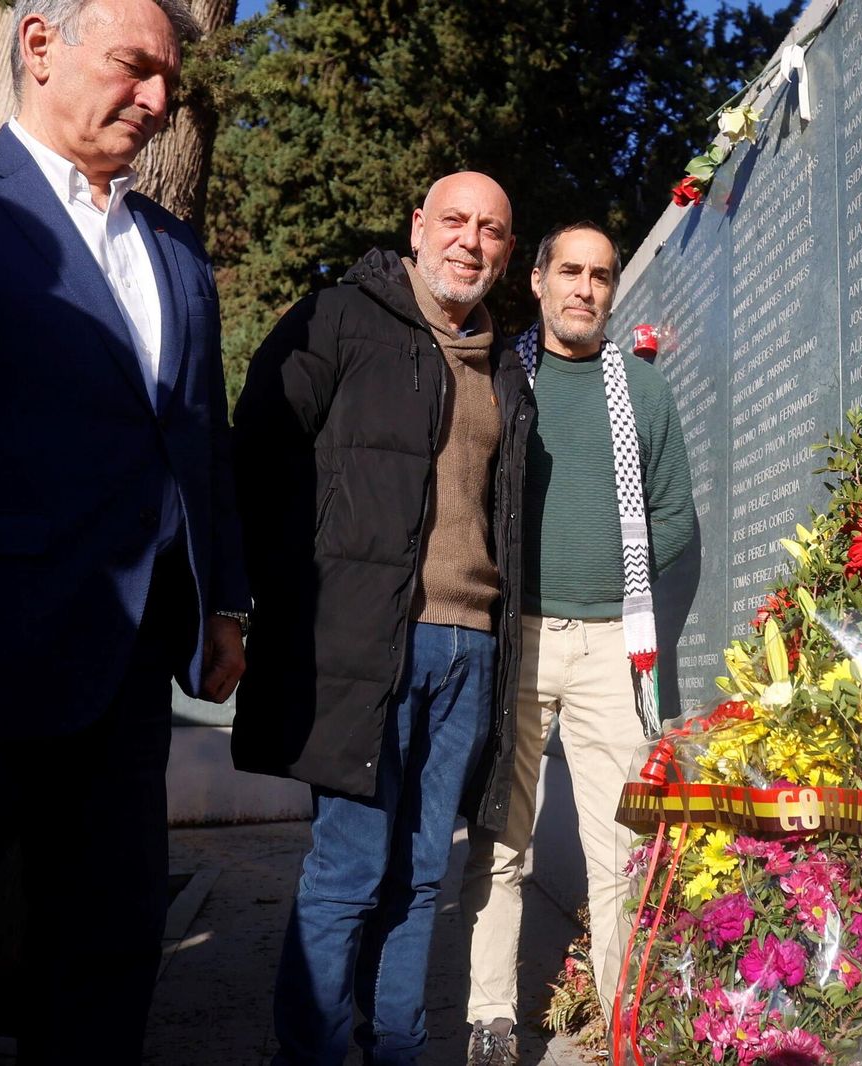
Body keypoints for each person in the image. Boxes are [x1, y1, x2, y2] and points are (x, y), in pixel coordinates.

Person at [0, 0, 248, 1059]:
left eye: (169, 81)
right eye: (136, 68)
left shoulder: (177, 252)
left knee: (107, 953)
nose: (159, 101)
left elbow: (199, 440)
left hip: (127, 682)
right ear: (39, 46)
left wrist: (223, 599)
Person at [229, 172, 536, 1065]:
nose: (469, 241)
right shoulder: (338, 319)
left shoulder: (506, 370)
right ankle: (317, 1051)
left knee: (423, 872)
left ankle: (397, 1046)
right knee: (351, 870)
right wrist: (276, 601)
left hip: (470, 651)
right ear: (417, 227)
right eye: (453, 221)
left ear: (508, 253)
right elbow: (260, 456)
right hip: (365, 642)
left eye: (491, 229)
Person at [460, 222, 694, 1066]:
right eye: (571, 271)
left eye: (601, 276)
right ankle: (490, 1016)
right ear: (538, 279)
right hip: (513, 637)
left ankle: (618, 1019)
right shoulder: (496, 374)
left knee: (624, 845)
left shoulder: (643, 391)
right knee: (501, 835)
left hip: (610, 648)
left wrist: (617, 574)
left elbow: (673, 513)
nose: (585, 289)